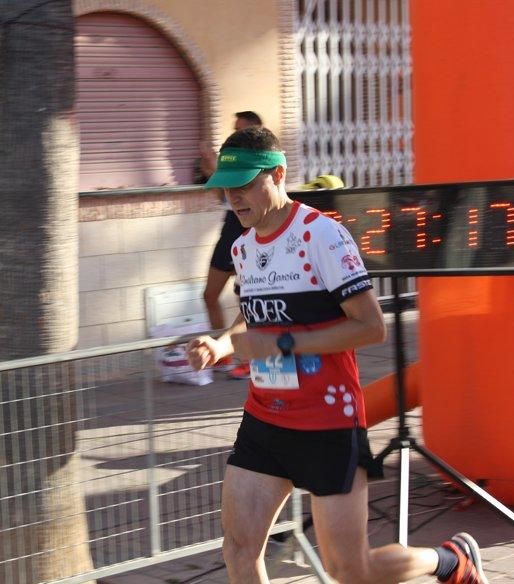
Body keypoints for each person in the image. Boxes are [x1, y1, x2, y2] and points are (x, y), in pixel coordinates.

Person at [186, 127, 488, 584]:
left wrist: (284, 343)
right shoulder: (243, 248)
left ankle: (450, 560)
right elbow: (253, 320)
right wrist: (222, 344)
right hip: (265, 420)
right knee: (238, 549)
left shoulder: (321, 235)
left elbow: (370, 327)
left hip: (326, 424)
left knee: (350, 571)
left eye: (245, 184)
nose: (235, 197)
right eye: (227, 187)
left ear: (278, 175)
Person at [198, 111, 264, 380]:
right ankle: (222, 353)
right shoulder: (233, 158)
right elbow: (222, 195)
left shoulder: (258, 159)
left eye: (240, 129)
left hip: (247, 228)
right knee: (209, 295)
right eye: (234, 128)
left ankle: (247, 359)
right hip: (231, 227)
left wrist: (214, 167)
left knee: (250, 301)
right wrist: (210, 171)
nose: (234, 133)